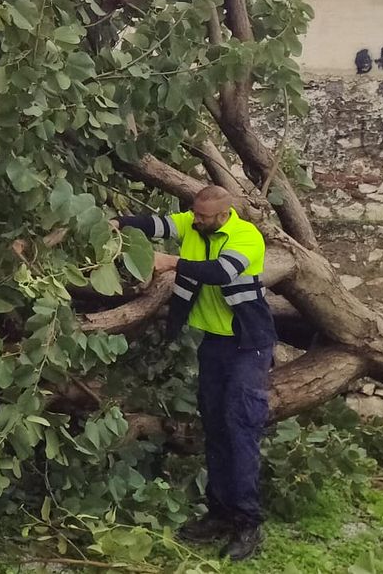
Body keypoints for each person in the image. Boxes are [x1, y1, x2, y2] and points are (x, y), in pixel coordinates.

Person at [113, 185, 274, 562]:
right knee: (214, 426)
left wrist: (170, 263)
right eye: (194, 214)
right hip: (215, 344)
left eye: (203, 217)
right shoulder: (194, 223)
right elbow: (158, 224)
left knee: (241, 426)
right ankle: (219, 513)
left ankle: (248, 523)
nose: (195, 221)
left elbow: (220, 272)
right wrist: (119, 222)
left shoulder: (245, 237)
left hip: (248, 345)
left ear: (222, 215)